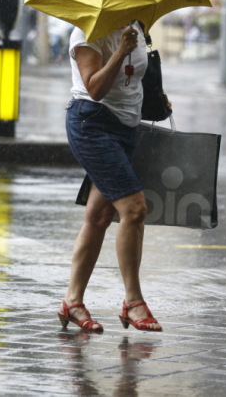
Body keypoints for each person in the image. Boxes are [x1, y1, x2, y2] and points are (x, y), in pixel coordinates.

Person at [58, 21, 162, 333]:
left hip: (126, 130)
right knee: (134, 210)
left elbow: (136, 79)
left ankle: (72, 302)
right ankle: (133, 302)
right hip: (92, 124)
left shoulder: (135, 28)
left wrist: (157, 98)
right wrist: (119, 52)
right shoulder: (86, 34)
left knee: (99, 216)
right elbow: (95, 88)